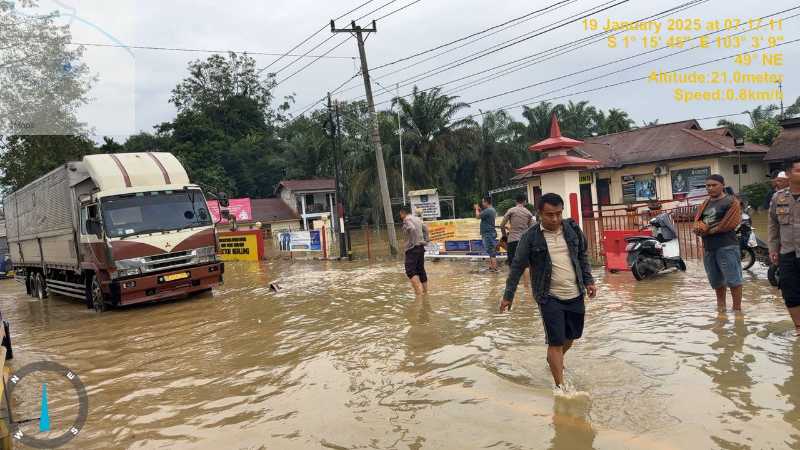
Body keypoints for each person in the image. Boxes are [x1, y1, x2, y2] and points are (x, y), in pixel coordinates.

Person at [500, 193, 597, 393]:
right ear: (539, 214)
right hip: (548, 296)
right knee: (555, 341)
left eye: (558, 214)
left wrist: (589, 281)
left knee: (571, 337)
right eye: (549, 215)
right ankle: (560, 387)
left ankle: (554, 358)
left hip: (575, 292)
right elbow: (517, 267)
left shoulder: (572, 230)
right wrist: (508, 296)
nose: (554, 219)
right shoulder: (530, 237)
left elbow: (582, 256)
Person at [693, 174, 743, 311]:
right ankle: (721, 308)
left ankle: (737, 310)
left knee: (733, 279)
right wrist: (698, 228)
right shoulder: (705, 203)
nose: (710, 188)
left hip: (727, 245)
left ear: (722, 185)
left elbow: (730, 223)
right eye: (707, 186)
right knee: (715, 280)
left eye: (714, 185)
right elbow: (698, 222)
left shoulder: (731, 201)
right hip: (709, 247)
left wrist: (708, 230)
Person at [768, 159, 800, 336]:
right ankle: (798, 328)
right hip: (787, 253)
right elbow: (773, 224)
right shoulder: (778, 197)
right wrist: (773, 248)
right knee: (789, 292)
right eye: (798, 171)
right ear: (788, 174)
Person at [400, 206, 429, 295]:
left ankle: (418, 294)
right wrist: (426, 240)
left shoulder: (406, 219)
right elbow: (425, 228)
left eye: (400, 214)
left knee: (410, 271)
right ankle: (425, 293)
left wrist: (412, 243)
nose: (400, 216)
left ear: (403, 213)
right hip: (421, 247)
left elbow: (411, 228)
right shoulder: (417, 219)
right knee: (420, 269)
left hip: (413, 249)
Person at [500, 193, 535, 266]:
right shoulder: (528, 213)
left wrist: (504, 236)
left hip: (512, 240)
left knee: (512, 264)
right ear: (525, 201)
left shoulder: (511, 210)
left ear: (516, 201)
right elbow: (532, 228)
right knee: (525, 265)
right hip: (524, 241)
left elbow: (502, 225)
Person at [475, 197, 498, 272]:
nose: (482, 203)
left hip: (488, 233)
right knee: (490, 250)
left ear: (486, 202)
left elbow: (478, 216)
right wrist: (480, 210)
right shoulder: (491, 210)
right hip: (490, 232)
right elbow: (483, 215)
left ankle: (494, 268)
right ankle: (492, 267)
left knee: (491, 250)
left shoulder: (488, 210)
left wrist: (476, 209)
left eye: (483, 202)